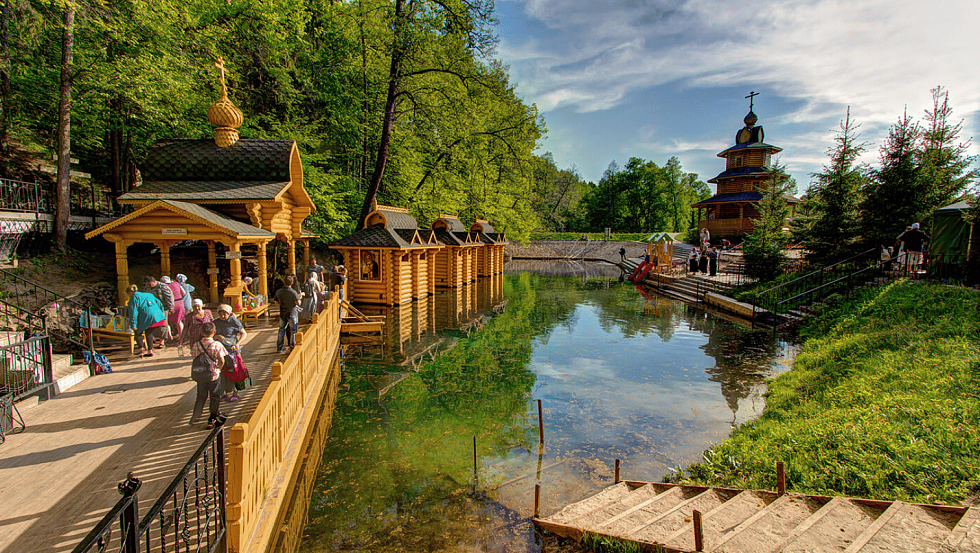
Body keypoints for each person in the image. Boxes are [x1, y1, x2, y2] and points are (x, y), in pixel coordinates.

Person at [189, 321, 228, 429]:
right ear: (214, 332)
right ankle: (212, 418)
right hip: (213, 375)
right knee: (214, 396)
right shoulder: (217, 345)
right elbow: (221, 360)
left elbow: (193, 356)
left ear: (201, 332)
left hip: (200, 375)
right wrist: (218, 369)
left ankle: (195, 416)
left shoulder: (196, 344)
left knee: (201, 396)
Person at [126, 284, 167, 357]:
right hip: (157, 316)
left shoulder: (133, 298)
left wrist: (133, 324)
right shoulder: (149, 295)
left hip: (146, 317)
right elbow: (159, 303)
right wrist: (162, 312)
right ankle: (149, 350)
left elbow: (133, 312)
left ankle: (141, 350)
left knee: (138, 332)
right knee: (149, 333)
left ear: (129, 293)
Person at [275, 275, 302, 353]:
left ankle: (279, 347)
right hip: (292, 313)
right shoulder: (293, 292)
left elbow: (276, 301)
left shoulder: (279, 291)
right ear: (292, 283)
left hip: (282, 313)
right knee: (293, 330)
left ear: (284, 282)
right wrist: (300, 297)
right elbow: (298, 303)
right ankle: (292, 347)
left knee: (281, 330)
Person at [162, 276, 186, 340]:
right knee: (178, 321)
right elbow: (184, 293)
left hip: (169, 304)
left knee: (166, 321)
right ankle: (181, 336)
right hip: (179, 303)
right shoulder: (176, 284)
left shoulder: (163, 287)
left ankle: (170, 336)